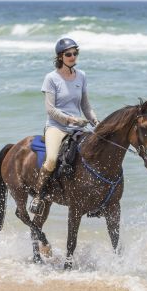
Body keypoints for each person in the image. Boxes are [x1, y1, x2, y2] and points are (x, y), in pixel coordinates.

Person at [29, 38, 100, 214]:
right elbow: (50, 110)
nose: (72, 56)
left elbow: (85, 105)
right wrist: (71, 120)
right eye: (68, 54)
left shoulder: (81, 76)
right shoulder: (51, 78)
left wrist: (96, 123)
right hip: (56, 127)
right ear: (60, 57)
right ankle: (38, 195)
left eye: (75, 53)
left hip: (77, 128)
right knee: (52, 159)